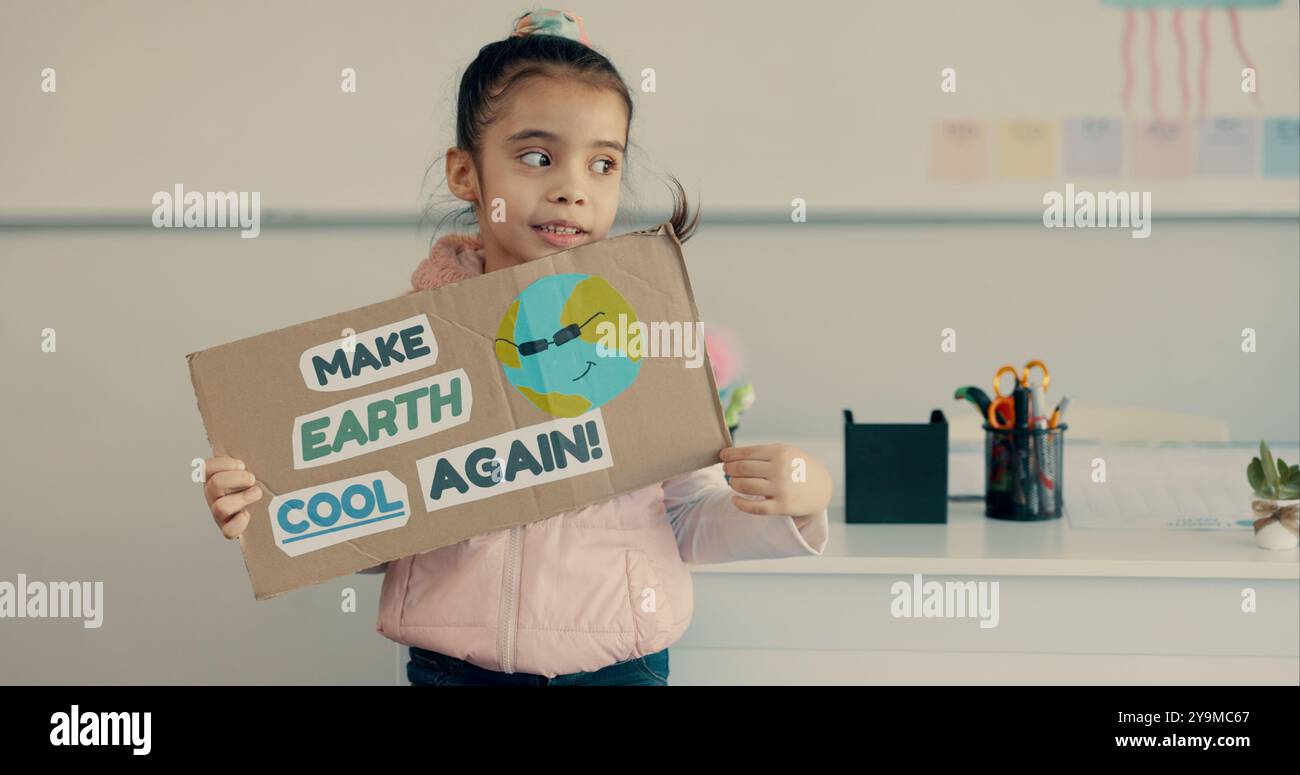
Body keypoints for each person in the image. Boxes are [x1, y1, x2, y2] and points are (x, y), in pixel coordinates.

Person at [201, 7, 832, 686]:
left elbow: (686, 518)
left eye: (602, 164)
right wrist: (277, 501)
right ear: (466, 174)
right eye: (537, 157)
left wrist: (799, 502)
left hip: (618, 669)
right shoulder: (414, 342)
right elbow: (384, 524)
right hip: (454, 672)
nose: (572, 187)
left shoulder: (644, 333)